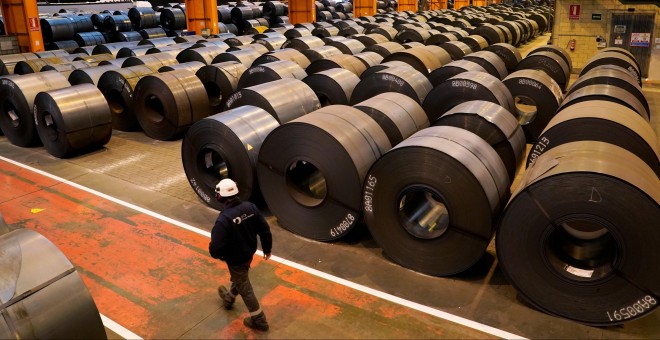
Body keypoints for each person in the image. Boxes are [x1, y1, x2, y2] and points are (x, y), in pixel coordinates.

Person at [209, 178, 273, 331]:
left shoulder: (224, 219)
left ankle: (260, 320)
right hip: (248, 253)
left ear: (220, 197)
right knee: (241, 277)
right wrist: (267, 248)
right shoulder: (251, 207)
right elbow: (264, 230)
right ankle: (229, 299)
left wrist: (218, 253)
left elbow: (216, 248)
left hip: (235, 259)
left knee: (245, 287)